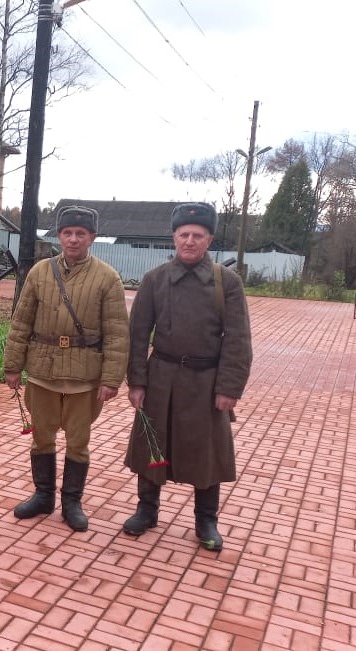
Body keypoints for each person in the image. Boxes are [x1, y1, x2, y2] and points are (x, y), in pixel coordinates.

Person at [122, 202, 252, 551]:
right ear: (174, 238)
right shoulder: (155, 280)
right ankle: (146, 510)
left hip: (206, 383)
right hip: (161, 378)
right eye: (184, 235)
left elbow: (238, 339)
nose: (190, 241)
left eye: (197, 235)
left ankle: (206, 520)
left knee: (207, 452)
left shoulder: (228, 283)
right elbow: (137, 335)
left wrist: (229, 388)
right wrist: (137, 381)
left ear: (209, 239)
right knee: (153, 445)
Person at [2, 206, 130, 532]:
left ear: (92, 238)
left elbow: (117, 333)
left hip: (84, 377)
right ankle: (43, 495)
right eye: (67, 233)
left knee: (78, 442)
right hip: (43, 371)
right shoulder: (39, 273)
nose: (73, 239)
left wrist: (112, 378)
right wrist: (13, 365)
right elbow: (21, 322)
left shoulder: (107, 278)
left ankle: (72, 502)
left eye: (80, 234)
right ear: (58, 235)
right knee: (41, 438)